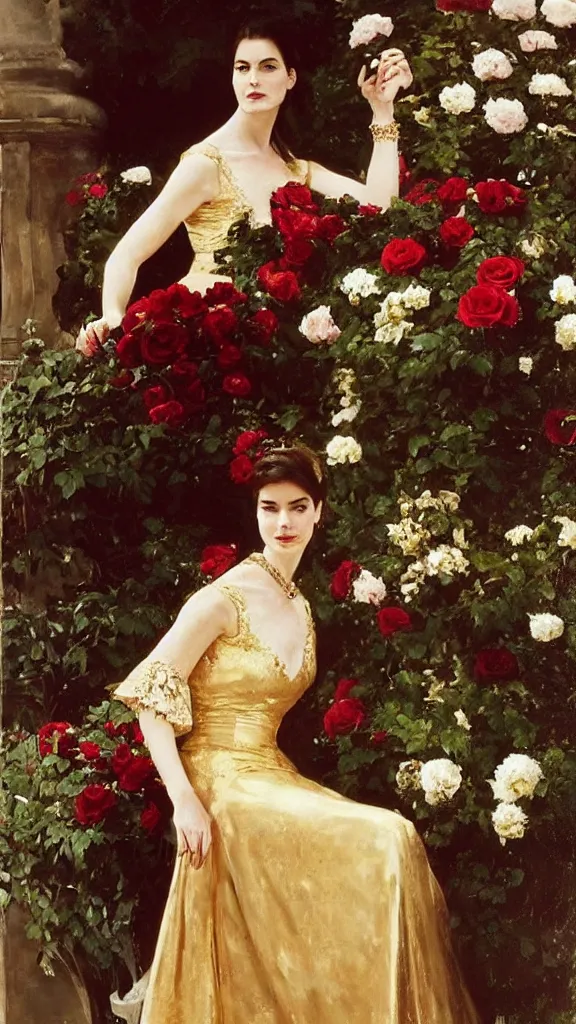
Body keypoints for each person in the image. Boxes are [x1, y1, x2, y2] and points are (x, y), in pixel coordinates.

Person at [112, 444, 480, 1024]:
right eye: (269, 508)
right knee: (385, 839)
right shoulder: (222, 599)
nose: (282, 522)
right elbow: (150, 702)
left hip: (268, 773)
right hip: (219, 781)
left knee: (395, 840)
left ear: (318, 513)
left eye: (296, 507)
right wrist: (185, 800)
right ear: (255, 514)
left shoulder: (300, 605)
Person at [76, 17, 413, 353]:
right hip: (206, 343)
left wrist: (382, 110)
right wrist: (112, 319)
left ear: (290, 77)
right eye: (242, 68)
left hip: (270, 349)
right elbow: (126, 255)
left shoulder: (296, 170)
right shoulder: (205, 163)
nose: (253, 80)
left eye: (268, 67)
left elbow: (381, 206)